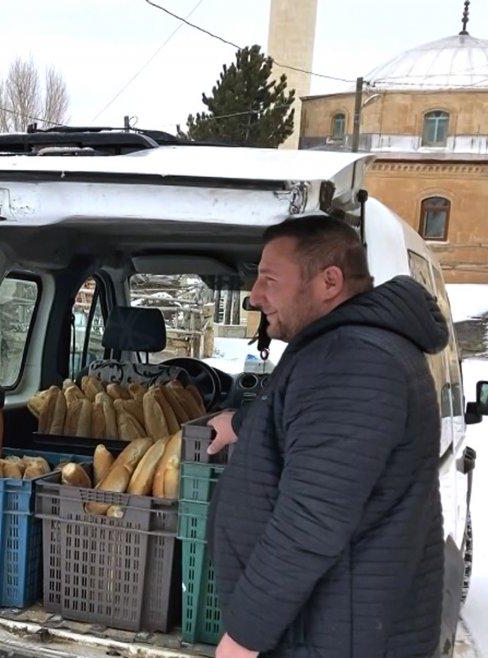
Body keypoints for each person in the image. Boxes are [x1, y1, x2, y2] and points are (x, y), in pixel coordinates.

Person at [206, 216, 447, 657]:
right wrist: (241, 424)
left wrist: (242, 639)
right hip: (333, 626)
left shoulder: (355, 360)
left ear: (329, 282)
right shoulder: (348, 349)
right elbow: (311, 423)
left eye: (269, 280)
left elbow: (310, 521)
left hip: (336, 636)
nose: (256, 297)